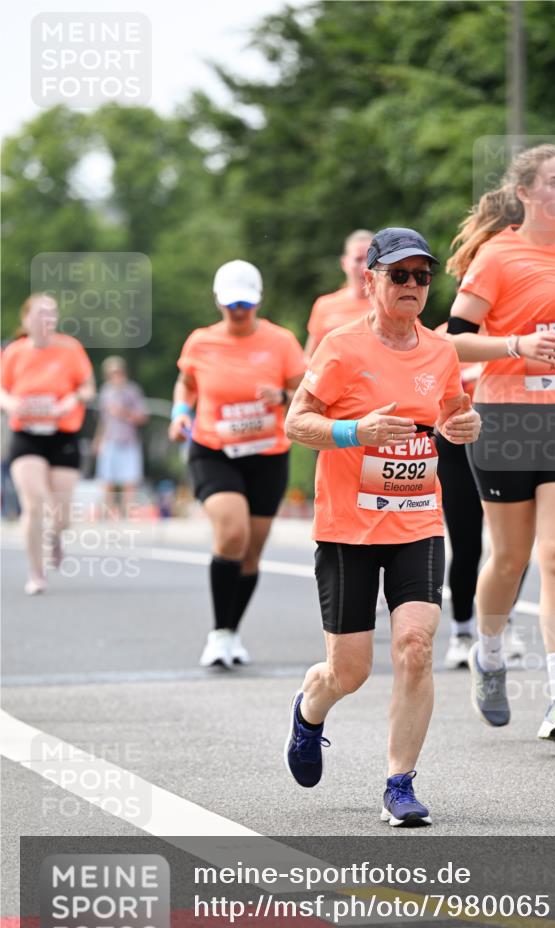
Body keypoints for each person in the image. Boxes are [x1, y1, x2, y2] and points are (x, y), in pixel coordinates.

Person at [284, 227, 481, 827]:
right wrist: (355, 433)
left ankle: (400, 783)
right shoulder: (342, 347)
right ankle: (309, 711)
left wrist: (462, 425)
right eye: (400, 275)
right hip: (348, 526)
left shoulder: (440, 351)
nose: (413, 286)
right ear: (371, 279)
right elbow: (297, 422)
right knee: (350, 669)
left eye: (423, 277)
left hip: (417, 520)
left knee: (416, 648)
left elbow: (451, 411)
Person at [445, 143, 555, 742]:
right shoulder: (497, 256)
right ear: (525, 193)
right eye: (554, 182)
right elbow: (453, 341)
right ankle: (489, 651)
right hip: (504, 421)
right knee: (509, 557)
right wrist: (516, 346)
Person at [168, 260, 305, 668]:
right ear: (218, 302)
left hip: (267, 454)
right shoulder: (201, 342)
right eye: (231, 305)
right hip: (214, 450)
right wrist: (180, 412)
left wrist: (280, 397)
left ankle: (230, 633)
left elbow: (306, 391)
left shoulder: (281, 342)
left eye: (246, 303)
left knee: (251, 553)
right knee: (232, 532)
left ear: (258, 300)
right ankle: (217, 633)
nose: (239, 311)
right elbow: (187, 383)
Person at [433, 344, 528, 668]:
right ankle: (461, 633)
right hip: (456, 445)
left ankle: (505, 625)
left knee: (513, 547)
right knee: (466, 545)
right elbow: (427, 384)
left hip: (509, 439)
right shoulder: (446, 338)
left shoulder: (513, 328)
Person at [0, 294, 95, 594]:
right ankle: (36, 572)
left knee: (62, 516)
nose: (46, 320)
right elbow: (1, 390)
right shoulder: (14, 352)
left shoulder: (70, 349)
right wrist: (11, 403)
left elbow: (88, 388)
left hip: (62, 435)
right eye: (40, 314)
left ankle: (55, 537)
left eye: (51, 314)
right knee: (35, 503)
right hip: (26, 436)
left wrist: (71, 400)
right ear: (26, 318)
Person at [304, 230, 373, 360]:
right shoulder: (324, 305)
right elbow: (310, 358)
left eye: (370, 260)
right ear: (344, 263)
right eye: (358, 259)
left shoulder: (391, 307)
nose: (364, 266)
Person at [94, 356, 148, 517]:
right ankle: (108, 514)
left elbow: (142, 417)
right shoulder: (106, 391)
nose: (115, 376)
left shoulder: (132, 391)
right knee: (107, 479)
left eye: (117, 372)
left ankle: (128, 514)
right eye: (111, 373)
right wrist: (98, 440)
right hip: (110, 440)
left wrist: (123, 412)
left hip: (128, 441)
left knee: (129, 480)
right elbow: (104, 421)